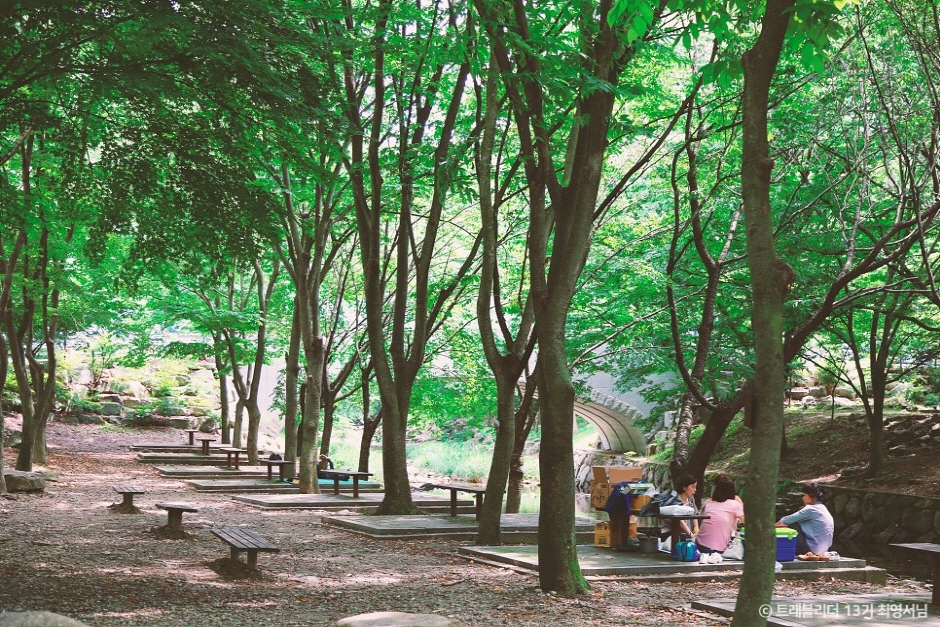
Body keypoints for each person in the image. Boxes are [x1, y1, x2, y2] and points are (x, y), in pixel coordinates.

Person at [777, 482, 834, 555]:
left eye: (805, 495)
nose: (803, 498)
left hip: (812, 550)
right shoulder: (822, 507)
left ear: (813, 497)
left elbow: (785, 520)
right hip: (823, 550)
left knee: (792, 525)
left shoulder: (810, 509)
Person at [695, 475, 744, 555]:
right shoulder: (735, 504)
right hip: (716, 549)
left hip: (698, 545)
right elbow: (747, 523)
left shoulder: (709, 504)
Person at [660, 473, 700, 542]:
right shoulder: (674, 499)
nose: (695, 490)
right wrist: (691, 535)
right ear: (684, 487)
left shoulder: (691, 499)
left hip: (686, 533)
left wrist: (696, 531)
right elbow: (680, 522)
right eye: (693, 487)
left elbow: (695, 515)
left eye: (695, 487)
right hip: (670, 534)